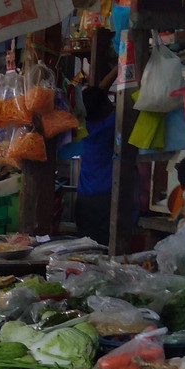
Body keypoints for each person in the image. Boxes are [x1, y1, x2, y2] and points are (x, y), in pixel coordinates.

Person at [75, 82, 117, 246]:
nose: (112, 104)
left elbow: (95, 97)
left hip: (84, 198)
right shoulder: (111, 124)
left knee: (85, 250)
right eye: (108, 101)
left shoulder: (83, 127)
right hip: (105, 200)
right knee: (103, 250)